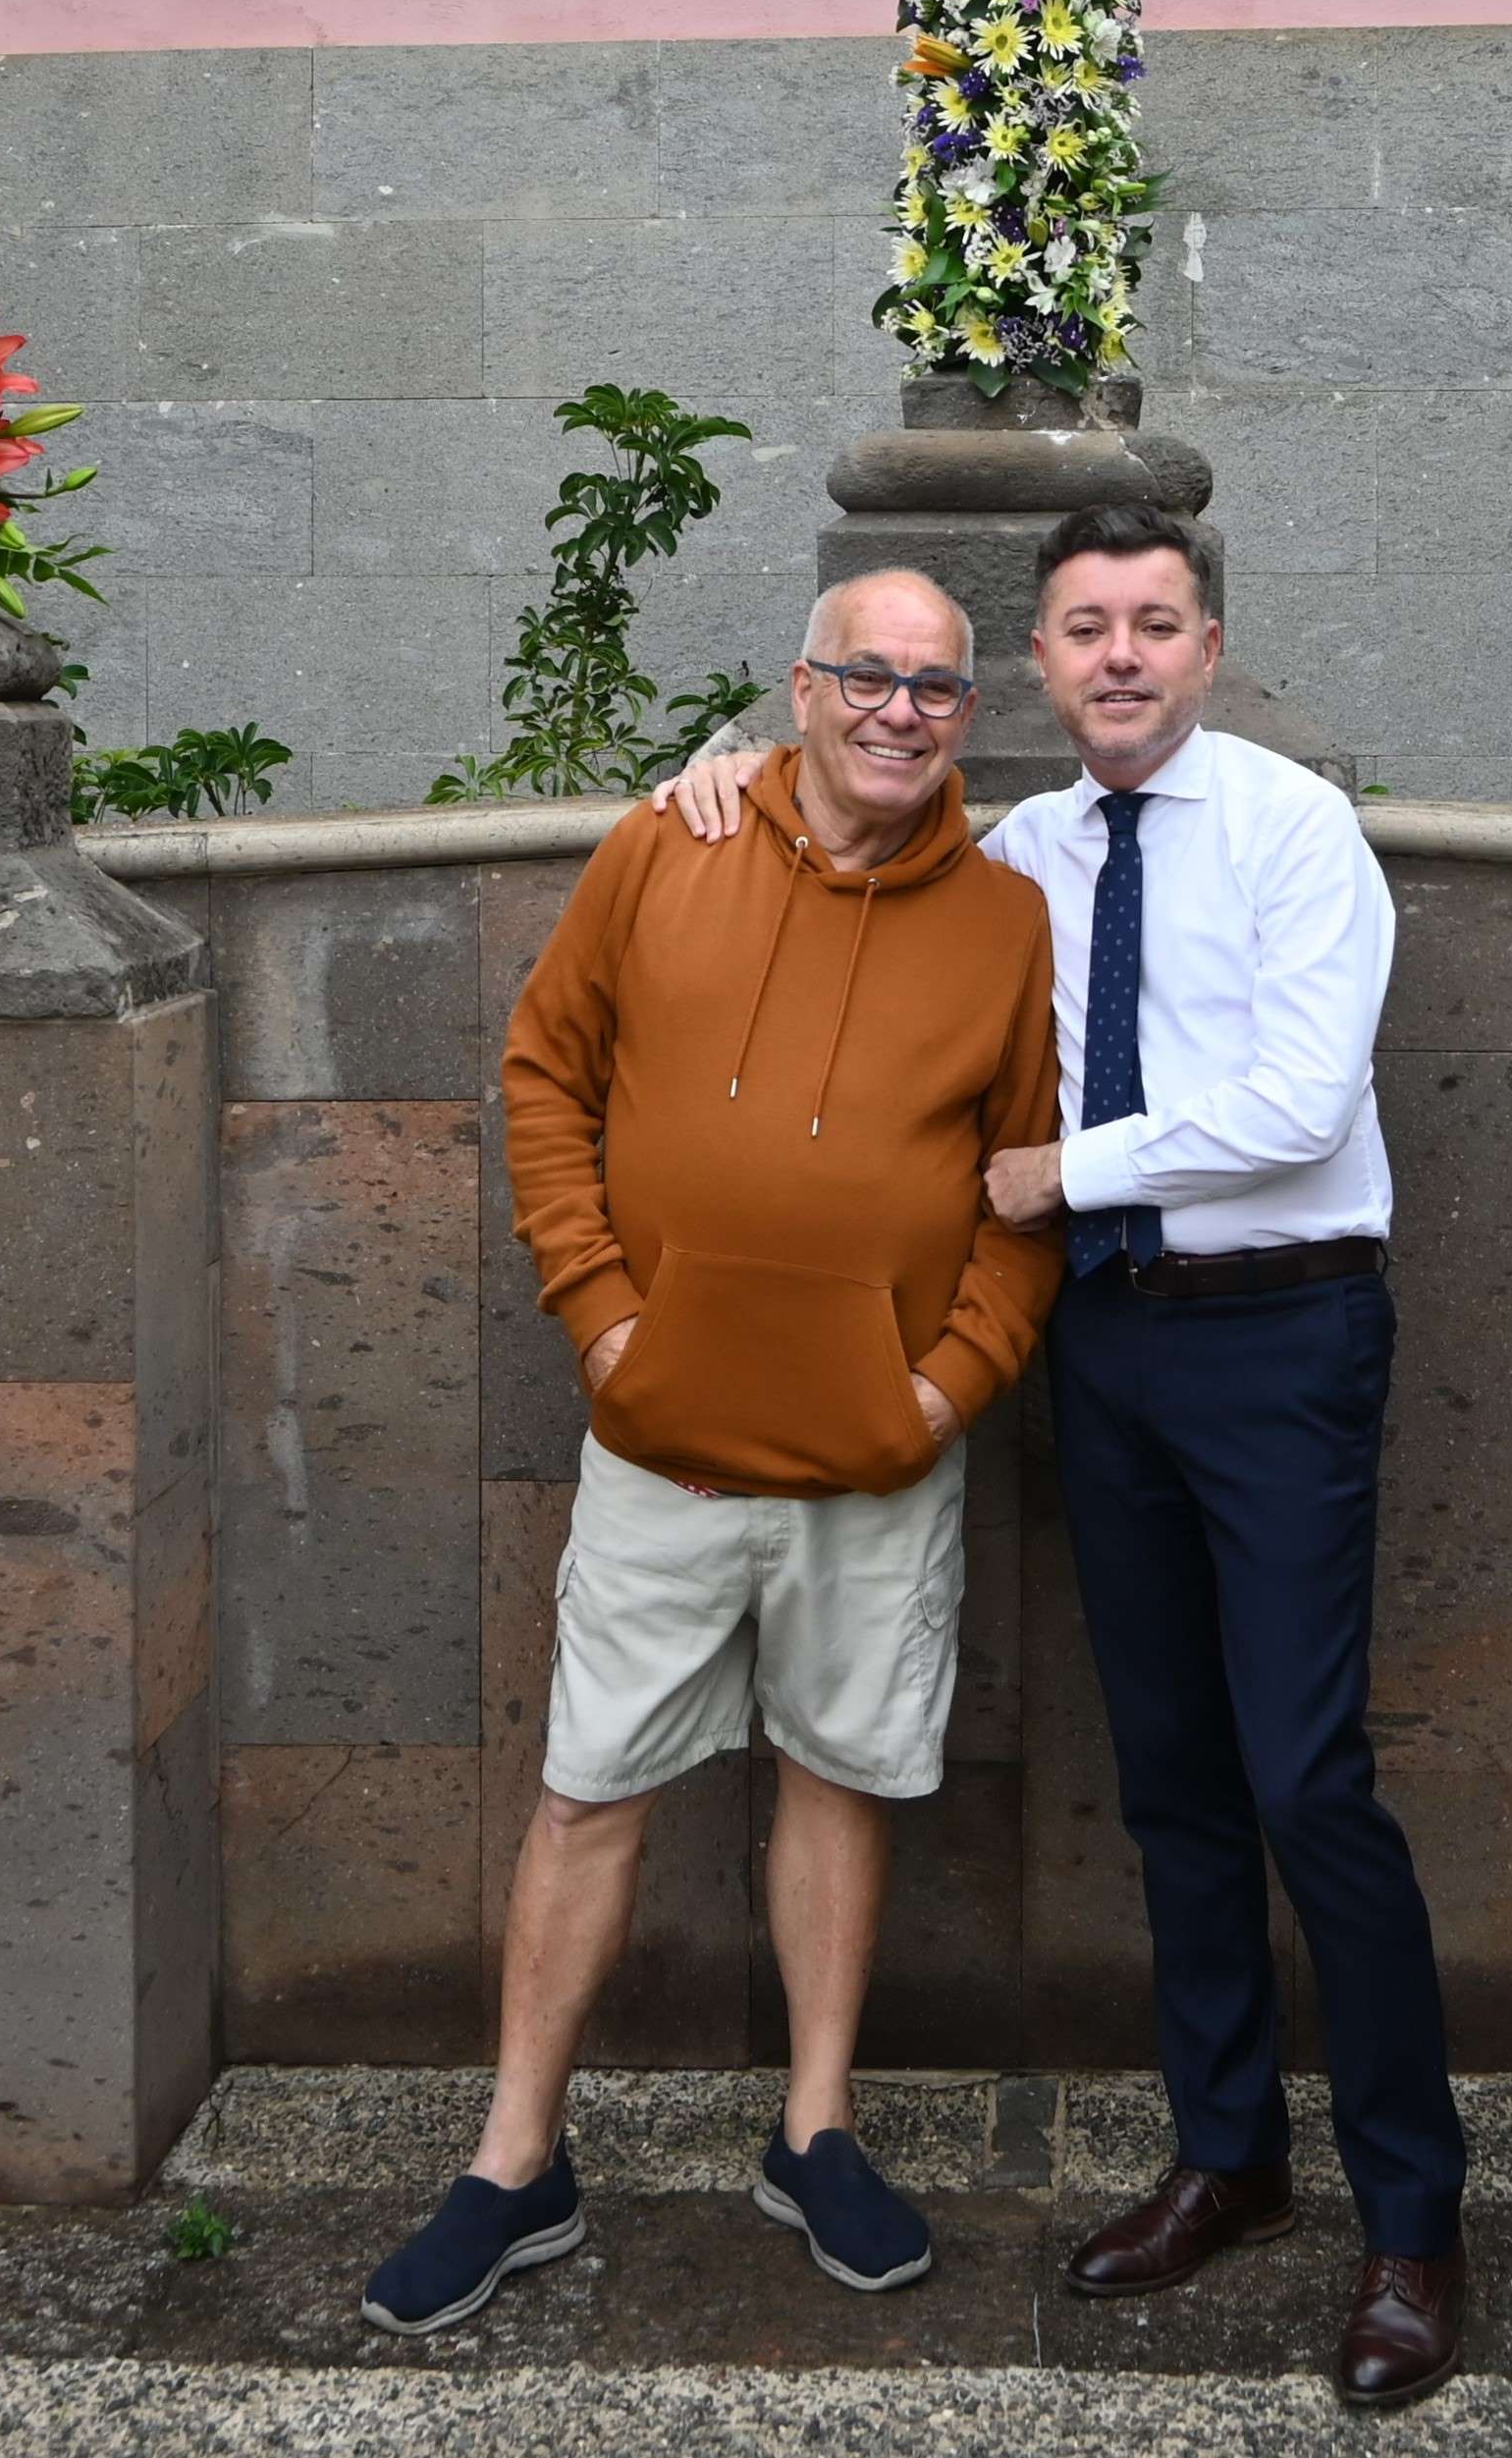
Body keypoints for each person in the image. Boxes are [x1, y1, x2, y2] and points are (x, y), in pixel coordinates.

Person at [656, 502, 1463, 2407]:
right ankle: (1229, 2156)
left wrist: (1061, 1168)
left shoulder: (1290, 828)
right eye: (1083, 626)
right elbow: (837, 849)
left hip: (1281, 1335)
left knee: (1307, 1777)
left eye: (1153, 624)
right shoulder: (1010, 848)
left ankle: (1413, 2220)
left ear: (1206, 646)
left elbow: (1299, 1097)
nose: (1117, 655)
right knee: (1171, 1774)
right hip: (1104, 1347)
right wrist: (714, 782)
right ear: (1037, 657)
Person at [362, 565, 1063, 2337]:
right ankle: (516, 2158)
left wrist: (944, 1385)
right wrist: (604, 1315)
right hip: (662, 1436)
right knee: (590, 1783)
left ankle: (813, 2127)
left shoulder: (1004, 919)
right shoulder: (659, 845)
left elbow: (1025, 1183)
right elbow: (543, 1073)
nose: (900, 710)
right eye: (866, 676)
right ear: (801, 686)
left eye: (935, 687)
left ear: (965, 715)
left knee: (840, 1769)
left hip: (876, 1460)